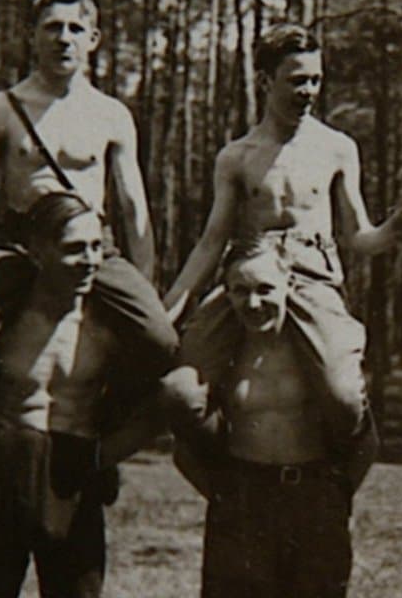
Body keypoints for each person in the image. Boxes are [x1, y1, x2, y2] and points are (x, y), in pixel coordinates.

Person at [0, 0, 177, 497]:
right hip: (20, 243)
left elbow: (134, 210)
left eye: (75, 28)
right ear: (31, 36)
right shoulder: (1, 109)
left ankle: (98, 439)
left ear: (94, 39)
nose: (64, 38)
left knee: (159, 340)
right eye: (52, 28)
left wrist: (143, 287)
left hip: (91, 243)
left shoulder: (111, 114)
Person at [162, 22, 402, 456]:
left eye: (316, 80)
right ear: (265, 81)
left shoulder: (337, 148)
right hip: (250, 276)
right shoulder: (236, 156)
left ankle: (344, 470)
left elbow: (361, 237)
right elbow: (211, 242)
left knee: (344, 399)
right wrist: (169, 310)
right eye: (297, 81)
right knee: (180, 392)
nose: (309, 91)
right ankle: (222, 475)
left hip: (312, 278)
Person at [0, 192, 170, 598]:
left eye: (96, 247)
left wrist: (100, 457)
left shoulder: (110, 327)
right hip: (1, 473)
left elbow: (155, 411)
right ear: (37, 250)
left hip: (74, 477)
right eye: (74, 248)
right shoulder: (0, 322)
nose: (89, 260)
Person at [161, 235, 370, 597]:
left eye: (265, 289)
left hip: (313, 497)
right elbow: (186, 450)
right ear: (226, 294)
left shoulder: (317, 355)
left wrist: (334, 498)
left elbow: (365, 438)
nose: (254, 303)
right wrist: (228, 496)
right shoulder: (223, 354)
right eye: (240, 291)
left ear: (288, 285)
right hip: (243, 499)